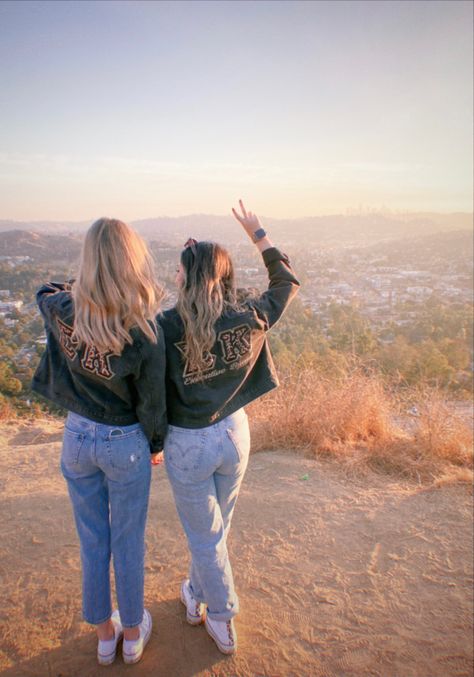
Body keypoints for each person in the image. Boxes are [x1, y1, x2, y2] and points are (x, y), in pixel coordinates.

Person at [159, 200, 300, 654]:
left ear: (191, 277)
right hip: (235, 434)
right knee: (217, 531)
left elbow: (146, 387)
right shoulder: (249, 314)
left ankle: (220, 617)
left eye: (180, 272)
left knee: (206, 535)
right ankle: (196, 594)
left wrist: (152, 438)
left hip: (189, 442)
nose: (176, 277)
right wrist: (259, 234)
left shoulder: (163, 326)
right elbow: (286, 282)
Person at [32, 218, 167, 665]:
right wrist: (155, 444)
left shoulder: (65, 310)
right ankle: (132, 634)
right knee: (128, 541)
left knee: (93, 541)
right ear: (132, 261)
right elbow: (151, 402)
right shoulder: (144, 329)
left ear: (89, 261)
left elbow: (44, 291)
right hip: (124, 440)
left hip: (76, 436)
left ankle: (104, 634)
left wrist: (85, 287)